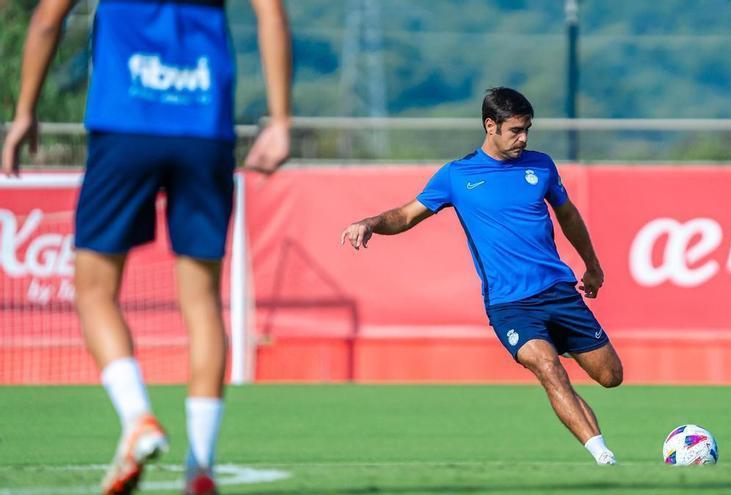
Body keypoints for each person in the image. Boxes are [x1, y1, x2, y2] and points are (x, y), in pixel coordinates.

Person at [1, 0, 291, 493]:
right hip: (204, 129)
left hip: (125, 125)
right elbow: (271, 14)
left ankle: (137, 417)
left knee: (93, 290)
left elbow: (49, 18)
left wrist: (25, 110)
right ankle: (201, 467)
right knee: (201, 302)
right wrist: (281, 119)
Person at [341, 87, 623, 465]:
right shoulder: (457, 176)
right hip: (510, 304)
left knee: (610, 376)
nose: (523, 138)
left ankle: (560, 342)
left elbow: (568, 216)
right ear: (490, 126)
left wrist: (592, 265)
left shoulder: (541, 166)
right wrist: (371, 223)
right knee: (548, 369)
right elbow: (406, 216)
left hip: (558, 290)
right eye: (516, 130)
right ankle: (602, 455)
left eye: (527, 130)